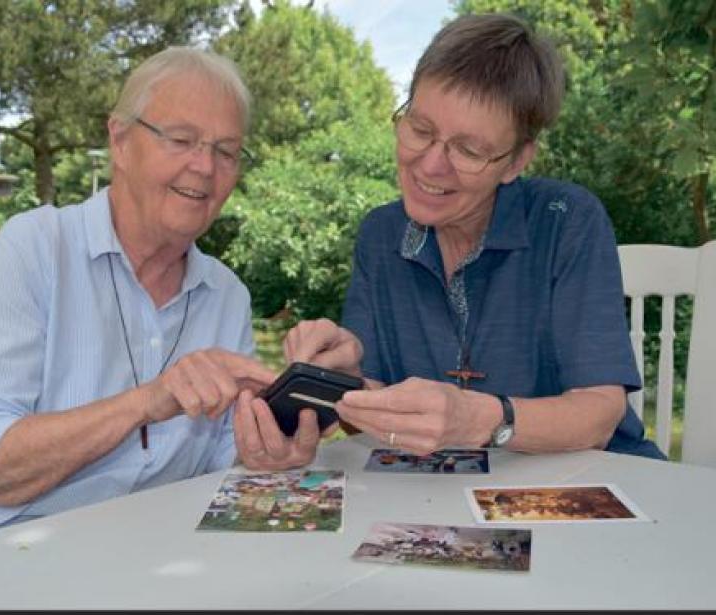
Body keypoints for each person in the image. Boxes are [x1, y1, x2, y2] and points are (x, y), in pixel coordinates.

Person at [0, 47, 322, 552]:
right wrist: (147, 401)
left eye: (226, 150)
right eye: (181, 139)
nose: (205, 167)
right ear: (121, 141)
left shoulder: (226, 296)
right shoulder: (37, 247)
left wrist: (266, 449)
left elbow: (221, 462)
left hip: (115, 555)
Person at [283, 13, 663, 460]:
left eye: (468, 150)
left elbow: (599, 415)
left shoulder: (567, 220)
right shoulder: (380, 234)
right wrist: (342, 380)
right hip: (446, 505)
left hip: (594, 487)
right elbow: (372, 410)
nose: (429, 166)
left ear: (517, 161)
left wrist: (479, 419)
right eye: (420, 130)